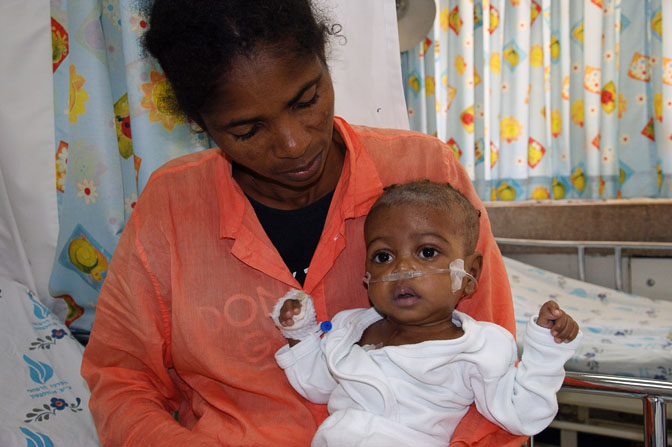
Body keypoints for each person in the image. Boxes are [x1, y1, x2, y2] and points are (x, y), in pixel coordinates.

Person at [81, 1, 527, 446]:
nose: (294, 144)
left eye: (307, 100)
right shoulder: (172, 206)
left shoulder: (425, 171)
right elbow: (122, 380)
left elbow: (493, 378)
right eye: (247, 130)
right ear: (201, 124)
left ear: (324, 61)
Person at [272, 180, 582, 446]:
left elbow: (524, 413)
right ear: (366, 272)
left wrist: (544, 352)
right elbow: (316, 386)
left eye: (427, 252)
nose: (402, 269)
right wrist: (300, 332)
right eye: (383, 256)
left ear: (468, 273)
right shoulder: (350, 328)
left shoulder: (478, 348)